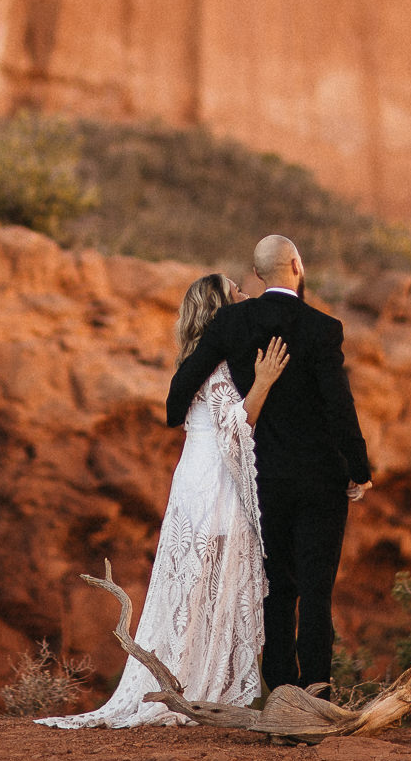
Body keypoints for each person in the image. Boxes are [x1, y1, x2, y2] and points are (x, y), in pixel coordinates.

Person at [39, 273, 287, 727]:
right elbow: (234, 423)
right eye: (236, 293)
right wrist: (266, 381)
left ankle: (190, 682)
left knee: (194, 583)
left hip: (194, 479)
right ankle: (197, 687)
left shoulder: (198, 359)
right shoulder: (217, 368)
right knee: (209, 581)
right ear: (220, 309)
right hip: (214, 481)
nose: (245, 298)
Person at [164, 235, 371, 691]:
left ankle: (280, 695)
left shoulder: (233, 321)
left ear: (257, 275)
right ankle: (316, 696)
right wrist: (359, 469)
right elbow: (340, 406)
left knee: (278, 592)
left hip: (264, 482)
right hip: (320, 480)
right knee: (317, 594)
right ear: (297, 265)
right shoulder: (323, 328)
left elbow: (178, 397)